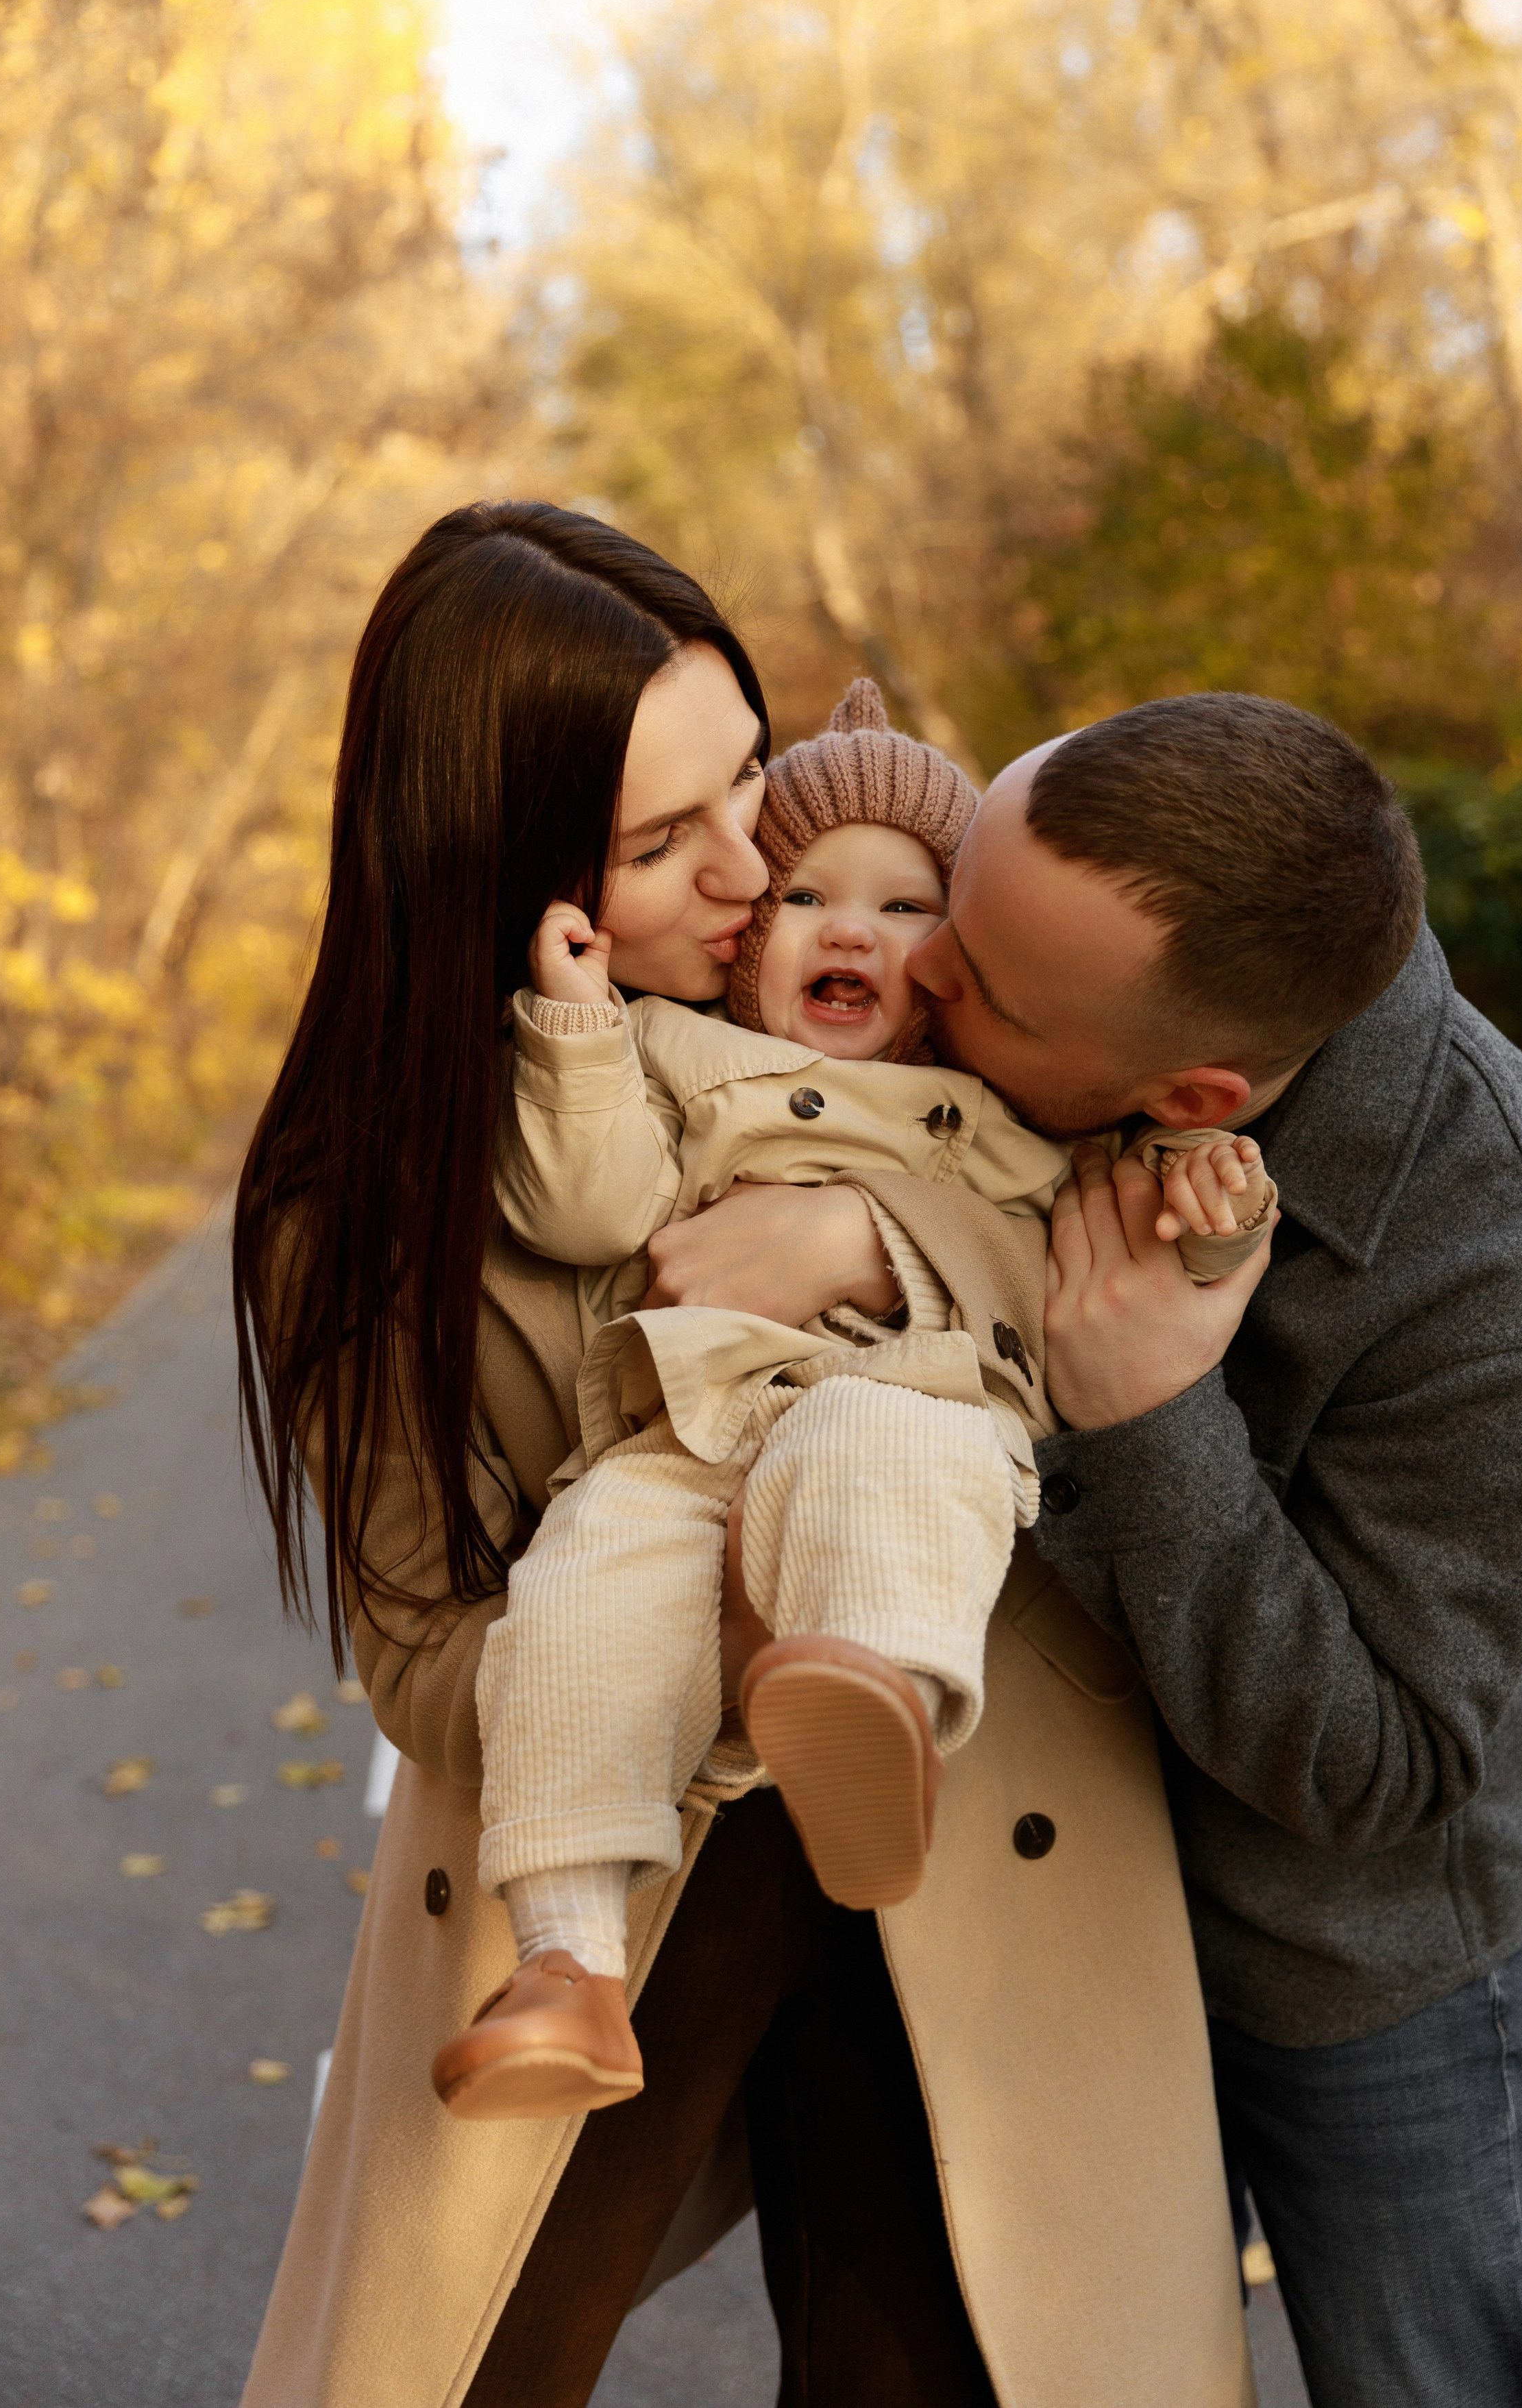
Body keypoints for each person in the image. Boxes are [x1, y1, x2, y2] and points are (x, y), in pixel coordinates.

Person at [232, 502, 1255, 2408]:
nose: (751, 871)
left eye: (749, 788)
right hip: (630, 1862)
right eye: (661, 845)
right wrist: (707, 1596)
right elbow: (426, 1665)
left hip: (963, 1832)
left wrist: (871, 1245)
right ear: (509, 878)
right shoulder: (359, 1203)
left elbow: (1100, 1185)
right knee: (485, 2363)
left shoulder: (857, 979)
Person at [889, 691, 1522, 2408]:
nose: (923, 974)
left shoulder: (1490, 1253)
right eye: (954, 902)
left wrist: (1141, 1417)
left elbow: (1386, 1764)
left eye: (976, 981)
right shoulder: (1057, 969)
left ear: (1190, 1090)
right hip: (1033, 1898)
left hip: (1340, 1959)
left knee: (1422, 2381)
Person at [434, 680, 1272, 2121]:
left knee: (884, 1445)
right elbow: (588, 1210)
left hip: (904, 1393)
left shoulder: (1000, 1109)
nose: (848, 930)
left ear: (950, 958)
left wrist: (1211, 1215)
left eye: (901, 908)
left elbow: (1100, 1251)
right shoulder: (674, 1055)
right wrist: (573, 1032)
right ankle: (567, 1961)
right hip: (680, 1429)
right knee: (580, 1594)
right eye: (810, 892)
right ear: (752, 933)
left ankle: (869, 1692)